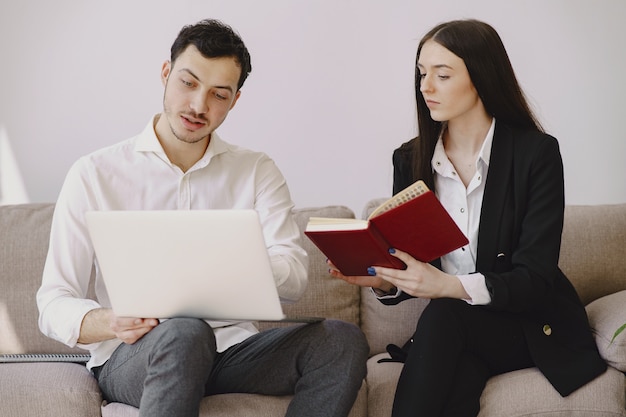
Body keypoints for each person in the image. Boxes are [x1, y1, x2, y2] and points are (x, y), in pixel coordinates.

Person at [37, 18, 368, 417]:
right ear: (165, 73)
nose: (198, 106)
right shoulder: (94, 173)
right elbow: (54, 302)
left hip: (233, 352)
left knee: (341, 339)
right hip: (138, 355)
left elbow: (294, 277)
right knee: (184, 332)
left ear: (234, 101)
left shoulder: (256, 170)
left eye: (218, 94)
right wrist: (111, 321)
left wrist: (233, 259)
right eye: (188, 83)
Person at [329, 19, 606, 417]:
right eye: (422, 74)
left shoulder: (536, 154)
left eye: (442, 75)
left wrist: (449, 286)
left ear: (481, 76)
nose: (426, 87)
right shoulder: (410, 159)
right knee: (455, 384)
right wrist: (383, 279)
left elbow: (534, 280)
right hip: (461, 332)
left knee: (445, 313)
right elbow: (414, 265)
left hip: (527, 322)